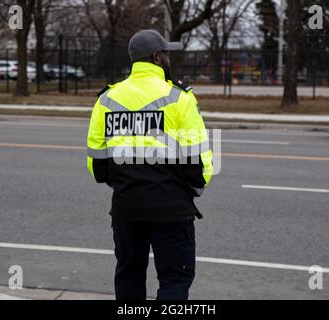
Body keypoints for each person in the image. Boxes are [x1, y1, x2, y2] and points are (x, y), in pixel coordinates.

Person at [86, 29, 213, 300]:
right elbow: (197, 162)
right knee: (175, 279)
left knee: (129, 276)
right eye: (166, 54)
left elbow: (98, 168)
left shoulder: (106, 100)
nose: (168, 58)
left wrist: (127, 182)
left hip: (126, 208)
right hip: (171, 209)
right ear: (157, 57)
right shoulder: (180, 98)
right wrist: (192, 190)